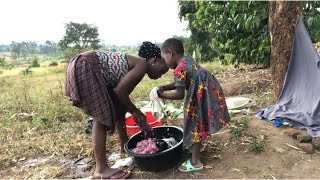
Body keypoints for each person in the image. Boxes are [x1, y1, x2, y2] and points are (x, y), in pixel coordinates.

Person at [65, 41, 169, 179]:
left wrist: (126, 146)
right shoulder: (142, 64)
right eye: (162, 70)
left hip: (82, 64)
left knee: (115, 108)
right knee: (101, 117)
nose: (160, 75)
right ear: (155, 60)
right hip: (87, 66)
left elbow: (120, 101)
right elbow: (120, 92)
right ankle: (101, 169)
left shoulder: (137, 65)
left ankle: (123, 147)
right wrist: (136, 111)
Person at [157, 38, 230, 172]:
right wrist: (165, 87)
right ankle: (196, 146)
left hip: (201, 93)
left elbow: (179, 94)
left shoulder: (179, 68)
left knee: (195, 123)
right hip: (208, 89)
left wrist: (161, 95)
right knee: (198, 121)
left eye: (163, 57)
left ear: (170, 52)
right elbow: (181, 82)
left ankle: (195, 161)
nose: (164, 62)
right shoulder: (185, 61)